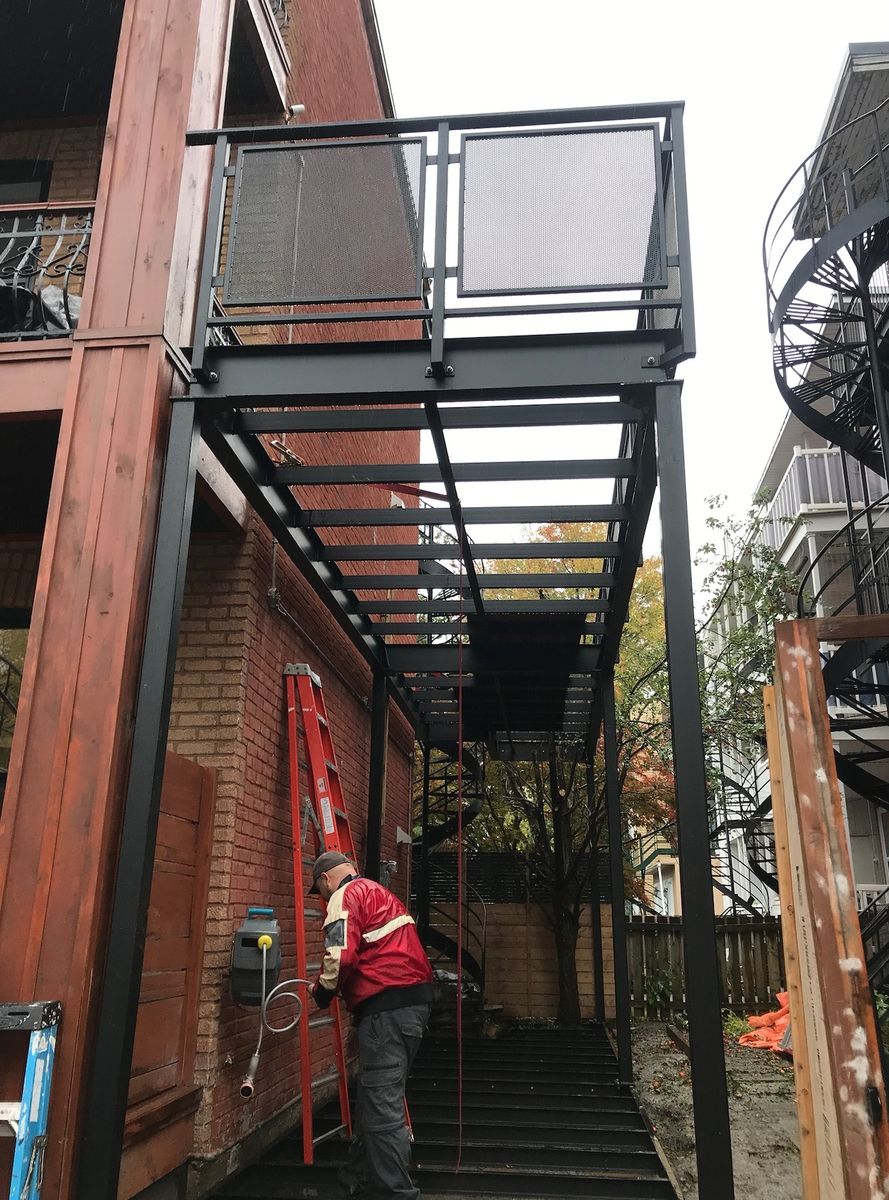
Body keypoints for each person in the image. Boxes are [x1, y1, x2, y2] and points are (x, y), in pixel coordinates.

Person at [309, 849, 434, 1200]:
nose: (322, 898)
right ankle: (358, 1173)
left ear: (325, 879)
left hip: (386, 1011)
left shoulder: (345, 895)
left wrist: (321, 992)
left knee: (381, 1103)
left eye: (320, 891)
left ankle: (398, 1193)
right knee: (375, 1095)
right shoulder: (379, 893)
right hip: (410, 1008)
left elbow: (340, 956)